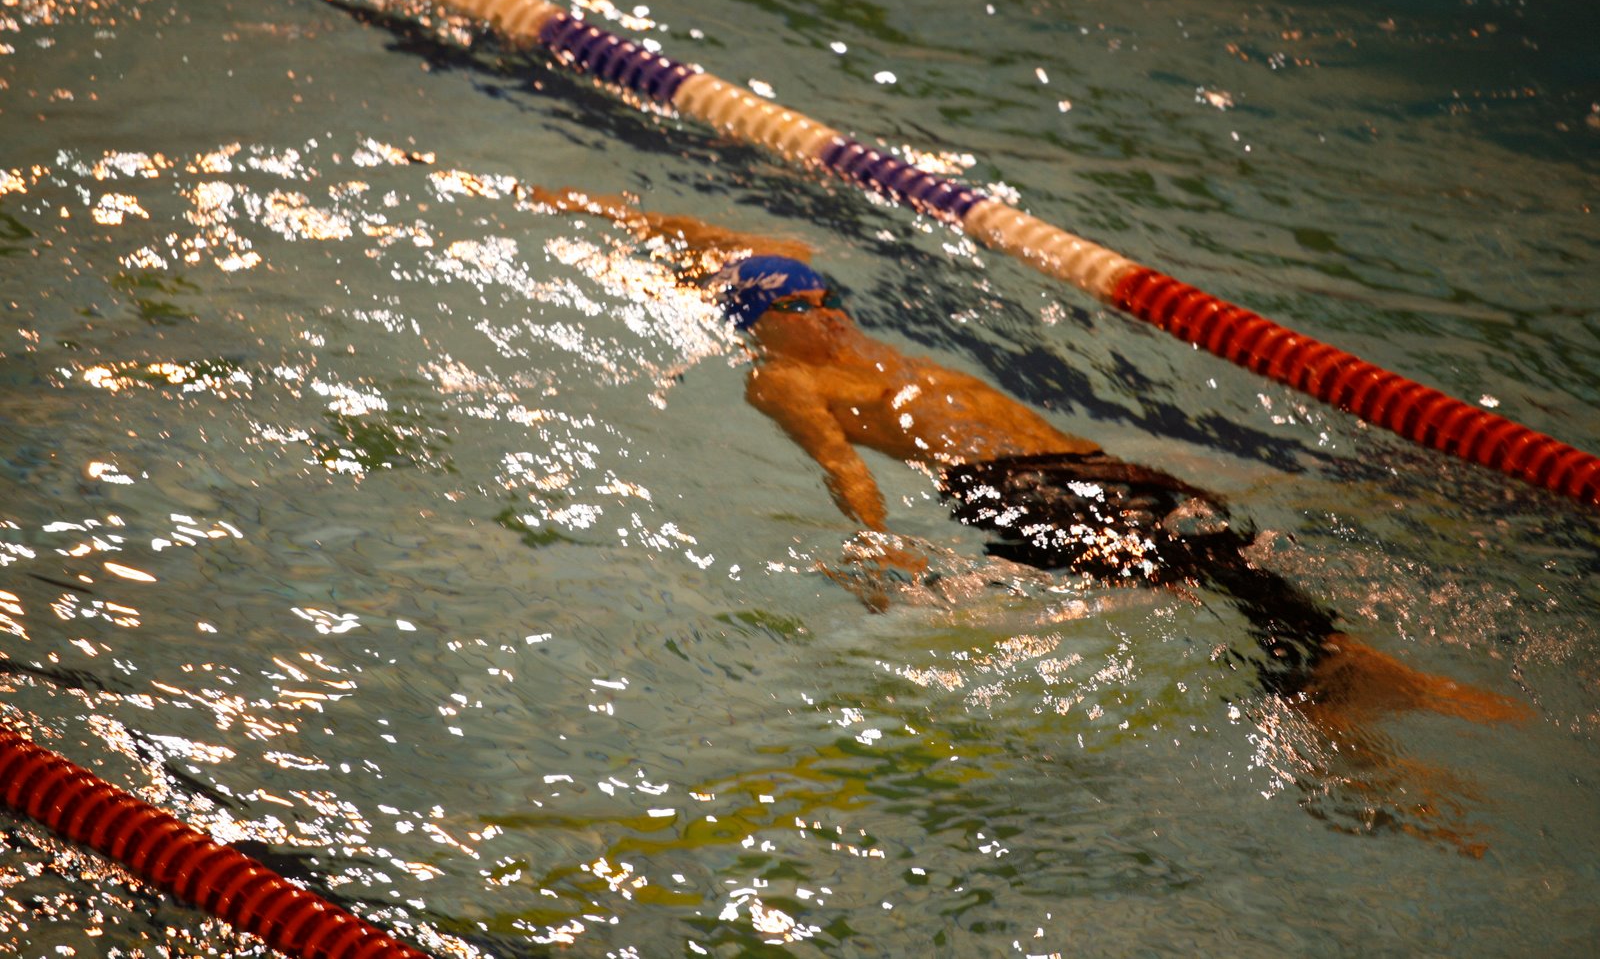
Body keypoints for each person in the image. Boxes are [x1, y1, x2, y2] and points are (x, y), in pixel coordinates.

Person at [527, 187, 1525, 728]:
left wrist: (601, 209)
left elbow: (744, 238)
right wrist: (876, 542)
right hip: (1005, 488)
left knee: (1225, 544)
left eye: (828, 299)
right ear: (765, 322)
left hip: (1080, 458)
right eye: (801, 307)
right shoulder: (781, 380)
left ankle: (1331, 681)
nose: (828, 316)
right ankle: (1332, 688)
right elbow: (843, 465)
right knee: (1182, 571)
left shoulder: (838, 336)